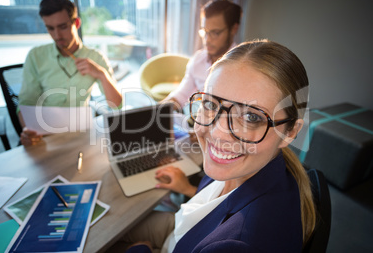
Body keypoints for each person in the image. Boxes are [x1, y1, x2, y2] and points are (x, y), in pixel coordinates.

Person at [121, 39, 316, 253]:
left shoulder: (236, 245)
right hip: (185, 229)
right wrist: (186, 188)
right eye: (210, 104)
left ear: (290, 132)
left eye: (251, 116)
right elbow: (223, 205)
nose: (217, 133)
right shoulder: (251, 167)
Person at [18, 0, 122, 146]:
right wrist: (28, 129)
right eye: (50, 28)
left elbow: (116, 105)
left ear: (77, 23)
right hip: (45, 134)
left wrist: (101, 74)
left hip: (80, 134)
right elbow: (27, 102)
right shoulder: (35, 56)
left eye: (63, 27)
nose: (57, 35)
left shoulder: (96, 57)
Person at [163, 0, 242, 111]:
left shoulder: (243, 66)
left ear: (234, 29)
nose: (207, 40)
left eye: (215, 33)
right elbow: (181, 95)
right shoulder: (198, 60)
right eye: (205, 32)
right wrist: (156, 110)